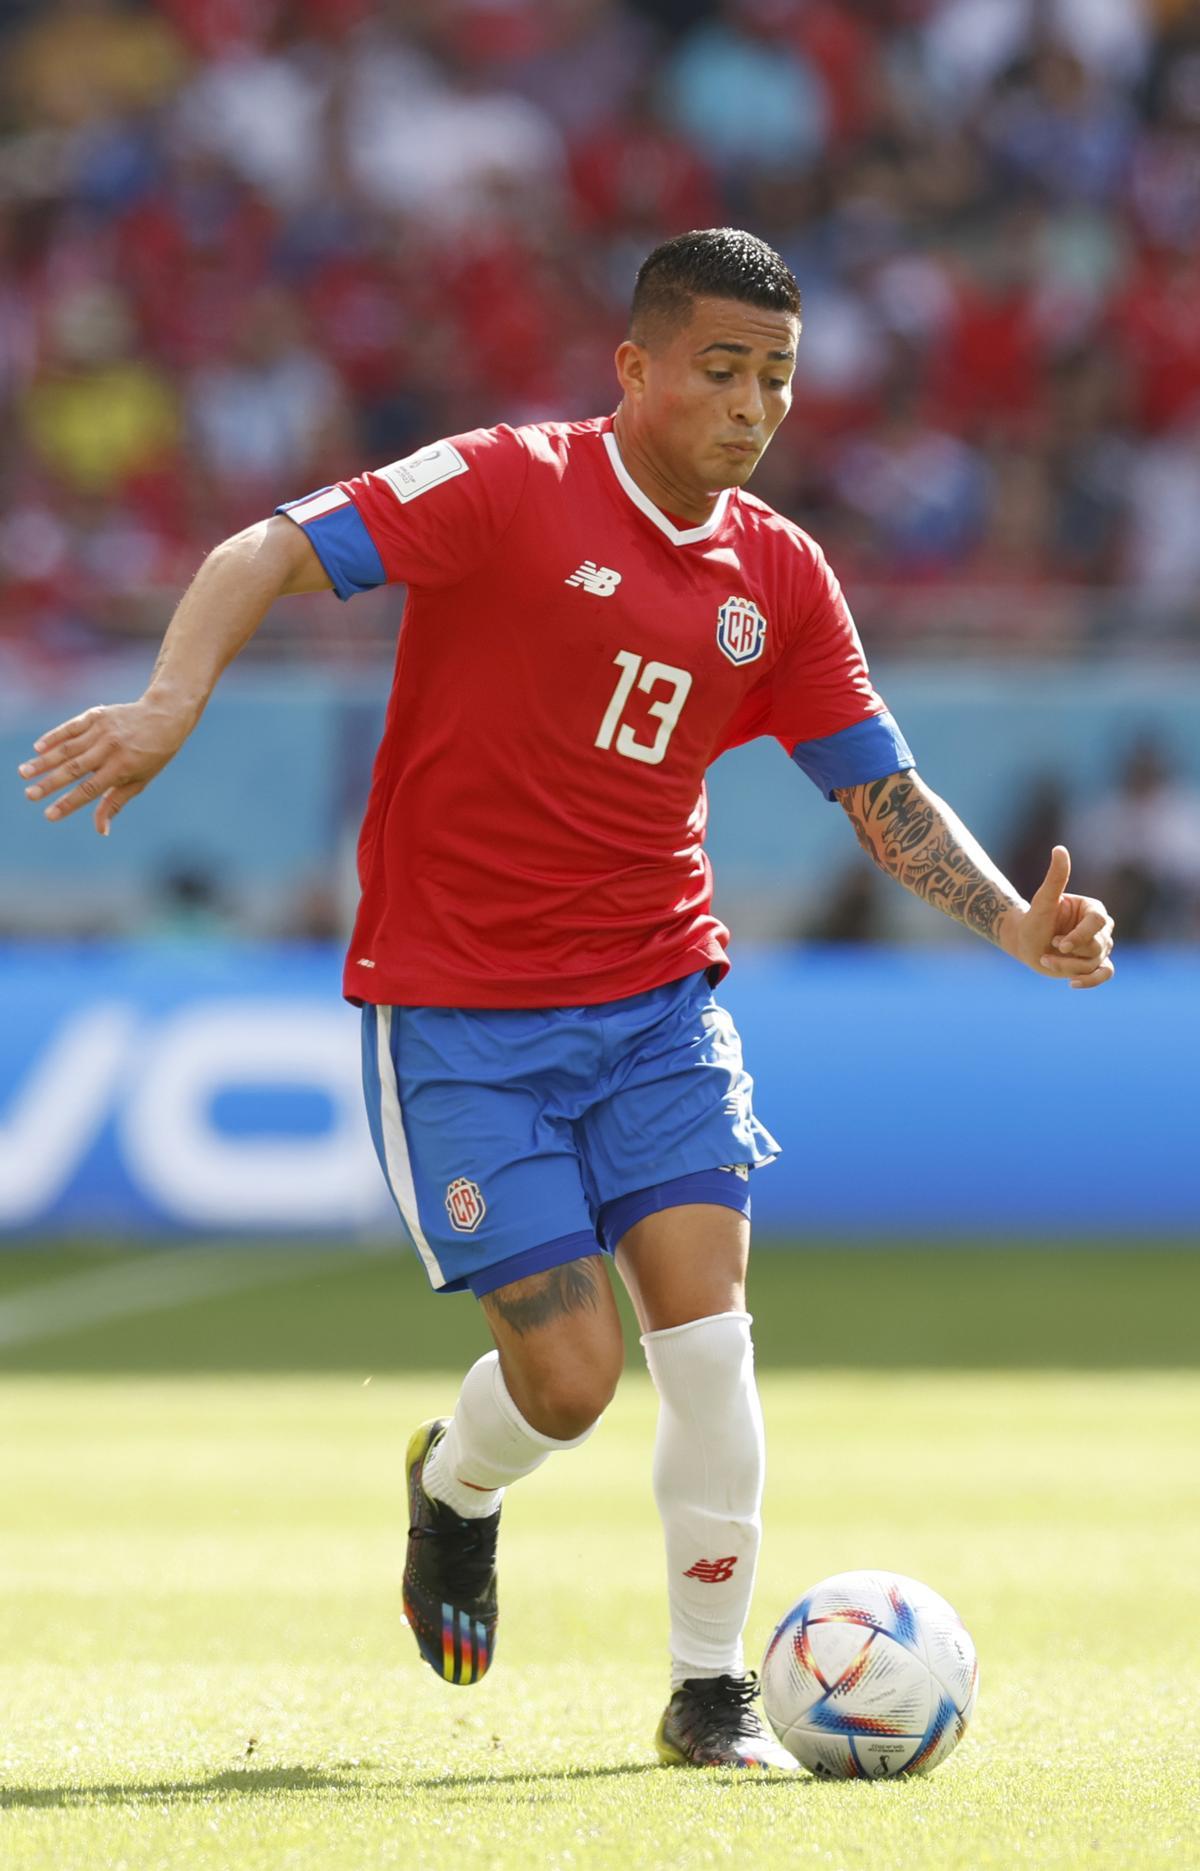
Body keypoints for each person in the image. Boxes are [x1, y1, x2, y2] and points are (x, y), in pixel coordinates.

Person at [17, 228, 1115, 1772]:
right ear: (637, 367)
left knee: (712, 1345)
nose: (751, 406)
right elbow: (262, 545)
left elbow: (881, 790)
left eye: (779, 378)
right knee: (572, 1383)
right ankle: (456, 1490)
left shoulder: (779, 577)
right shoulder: (504, 485)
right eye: (722, 369)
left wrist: (1011, 923)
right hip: (459, 1014)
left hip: (660, 999)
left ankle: (709, 1691)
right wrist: (167, 706)